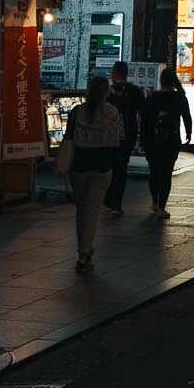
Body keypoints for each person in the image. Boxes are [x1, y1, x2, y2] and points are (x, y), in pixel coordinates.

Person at [61, 77, 123, 272]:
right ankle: (84, 252)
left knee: (82, 209)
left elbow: (68, 138)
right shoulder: (112, 112)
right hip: (102, 166)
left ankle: (84, 250)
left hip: (79, 166)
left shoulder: (77, 112)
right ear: (106, 93)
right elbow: (118, 139)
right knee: (92, 210)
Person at [141, 67, 192, 217]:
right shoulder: (180, 97)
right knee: (166, 173)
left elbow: (145, 121)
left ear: (161, 81)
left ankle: (154, 202)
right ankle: (161, 206)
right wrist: (188, 133)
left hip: (152, 141)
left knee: (154, 173)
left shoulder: (152, 97)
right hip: (171, 140)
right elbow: (187, 117)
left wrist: (144, 139)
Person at [103, 61, 143, 214]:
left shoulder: (108, 91)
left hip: (109, 135)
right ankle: (116, 203)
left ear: (115, 73)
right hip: (128, 134)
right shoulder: (135, 91)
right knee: (121, 168)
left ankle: (108, 198)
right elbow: (142, 111)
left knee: (109, 166)